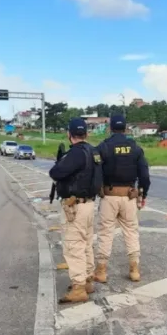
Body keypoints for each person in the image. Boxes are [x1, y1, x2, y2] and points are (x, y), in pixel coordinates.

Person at [49, 118, 102, 303]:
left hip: (75, 207)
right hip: (88, 205)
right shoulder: (93, 151)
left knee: (74, 246)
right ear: (86, 134)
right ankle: (87, 280)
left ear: (69, 135)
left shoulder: (76, 153)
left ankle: (78, 288)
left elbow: (55, 173)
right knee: (86, 244)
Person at [93, 114, 150, 284]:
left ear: (110, 128)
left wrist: (98, 189)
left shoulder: (103, 147)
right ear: (126, 128)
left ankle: (101, 271)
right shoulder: (136, 148)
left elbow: (95, 171)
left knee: (105, 233)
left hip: (109, 197)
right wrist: (142, 194)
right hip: (129, 197)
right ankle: (134, 269)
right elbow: (145, 176)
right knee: (131, 232)